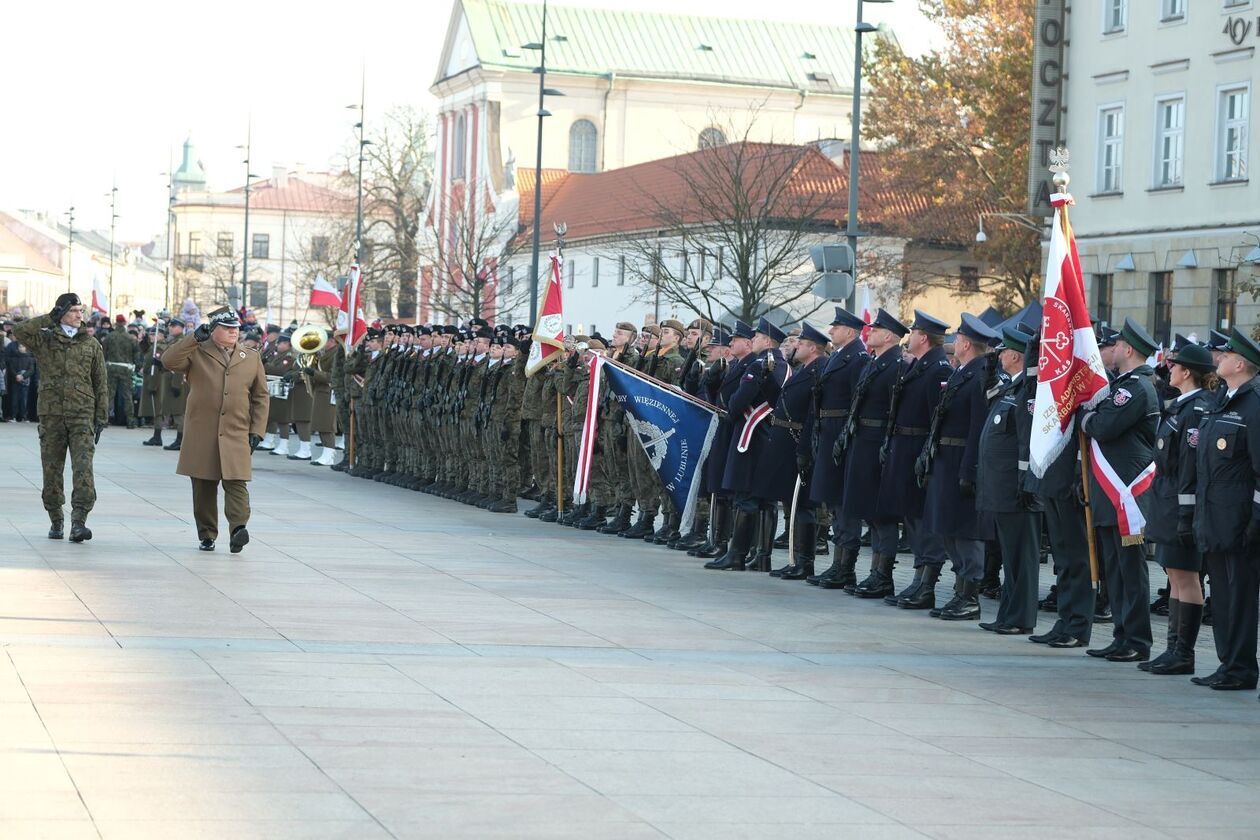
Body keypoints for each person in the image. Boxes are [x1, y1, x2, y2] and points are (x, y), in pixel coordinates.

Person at [1081, 317, 1159, 663]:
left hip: (1127, 493)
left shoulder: (1136, 388)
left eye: (1114, 346)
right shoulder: (1122, 385)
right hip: (1113, 492)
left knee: (1130, 568)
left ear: (1127, 349)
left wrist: (1084, 419)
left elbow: (1105, 425)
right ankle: (1121, 635)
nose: (1108, 351)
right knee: (1115, 568)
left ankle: (1137, 639)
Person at [161, 306, 268, 553]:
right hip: (203, 431)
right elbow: (169, 361)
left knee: (237, 482)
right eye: (227, 328)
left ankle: (239, 528)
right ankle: (207, 534)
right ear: (213, 330)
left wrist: (257, 430)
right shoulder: (197, 352)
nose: (234, 332)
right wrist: (193, 338)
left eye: (236, 328)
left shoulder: (251, 357)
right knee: (203, 486)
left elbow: (261, 396)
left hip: (236, 430)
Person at [1192, 328, 1260, 691]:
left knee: (1239, 599)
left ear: (1240, 363)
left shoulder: (1254, 405)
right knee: (1222, 596)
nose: (1219, 358)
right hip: (1215, 516)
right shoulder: (1223, 401)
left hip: (1239, 521)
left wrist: (1255, 521)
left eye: (1227, 354)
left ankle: (1241, 668)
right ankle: (1226, 663)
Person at [1142, 341, 1215, 675]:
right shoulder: (1180, 406)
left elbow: (1189, 466)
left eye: (1174, 366)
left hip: (1180, 503)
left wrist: (1188, 513)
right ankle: (1173, 648)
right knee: (1174, 575)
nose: (1168, 369)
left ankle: (1184, 653)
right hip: (1167, 497)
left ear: (1187, 372)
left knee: (1186, 578)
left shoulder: (1196, 409)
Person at [13, 293, 108, 542]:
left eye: (81, 310)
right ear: (62, 312)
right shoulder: (45, 339)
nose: (80, 315)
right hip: (52, 414)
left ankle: (79, 522)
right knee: (52, 470)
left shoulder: (90, 343)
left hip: (82, 415)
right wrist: (50, 317)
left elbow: (101, 382)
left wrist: (100, 418)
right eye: (74, 310)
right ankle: (56, 519)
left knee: (83, 469)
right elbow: (20, 331)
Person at [922, 313, 998, 621]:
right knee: (948, 529)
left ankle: (970, 595)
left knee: (966, 532)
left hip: (962, 461)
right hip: (947, 460)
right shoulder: (963, 371)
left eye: (958, 339)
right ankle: (960, 590)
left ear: (966, 343)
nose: (954, 342)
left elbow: (978, 427)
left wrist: (970, 470)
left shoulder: (980, 374)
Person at [807, 308, 869, 589]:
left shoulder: (857, 358)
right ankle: (837, 564)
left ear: (851, 331)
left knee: (844, 504)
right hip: (829, 431)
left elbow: (857, 402)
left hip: (842, 432)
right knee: (833, 501)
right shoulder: (838, 357)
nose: (831, 331)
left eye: (836, 327)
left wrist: (846, 434)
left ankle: (846, 567)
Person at [101, 314, 139, 428]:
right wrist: (136, 366)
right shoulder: (131, 338)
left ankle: (104, 419)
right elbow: (136, 355)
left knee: (109, 395)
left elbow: (104, 354)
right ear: (124, 323)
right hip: (126, 369)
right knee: (127, 395)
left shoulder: (109, 337)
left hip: (111, 367)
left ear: (116, 323)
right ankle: (130, 420)